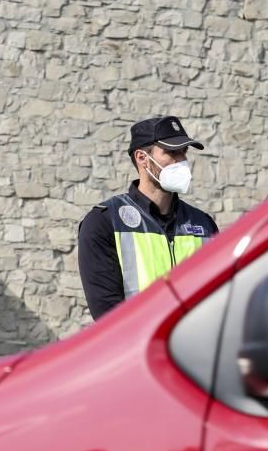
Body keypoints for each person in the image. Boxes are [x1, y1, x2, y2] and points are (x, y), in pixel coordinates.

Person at [78, 115, 219, 319]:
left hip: (196, 348)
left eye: (184, 152)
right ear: (142, 158)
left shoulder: (204, 224)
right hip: (136, 348)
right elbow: (107, 315)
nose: (182, 161)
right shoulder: (104, 222)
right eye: (172, 152)